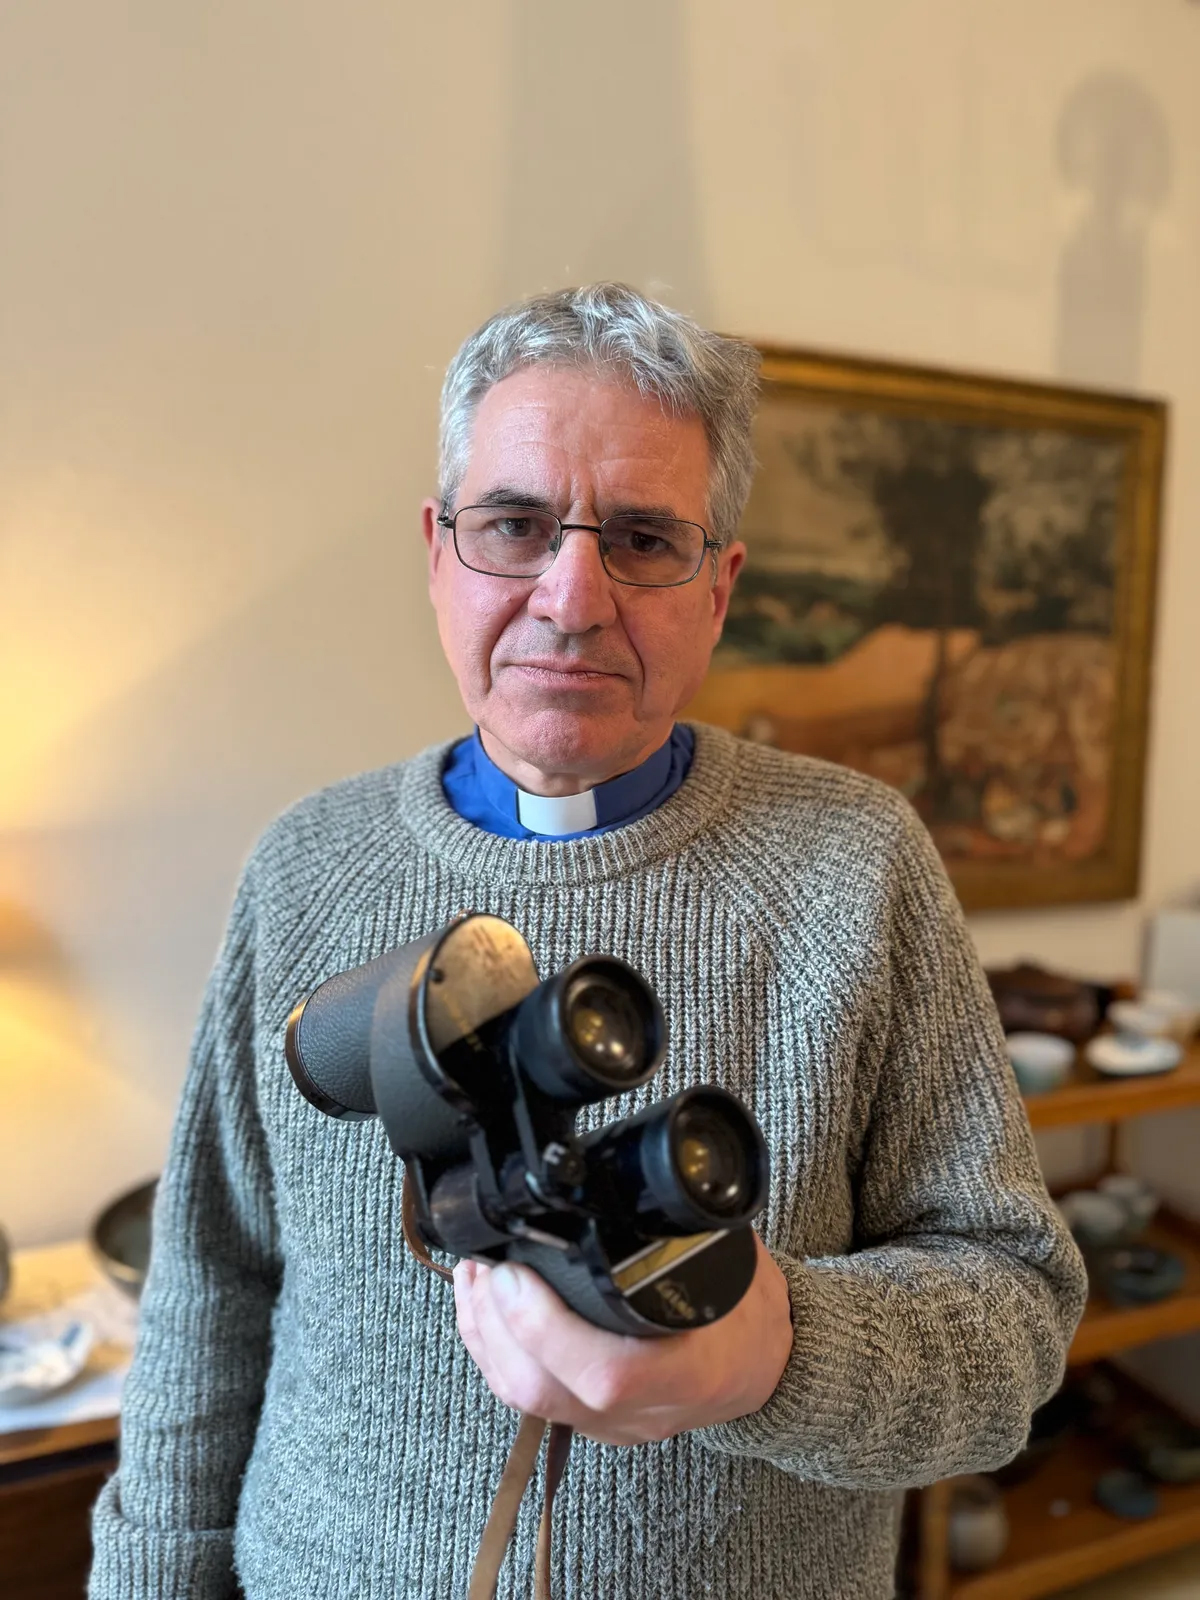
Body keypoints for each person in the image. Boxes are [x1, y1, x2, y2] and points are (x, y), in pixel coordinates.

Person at [89, 283, 1087, 1600]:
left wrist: (772, 1349)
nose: (573, 596)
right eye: (513, 525)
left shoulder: (859, 864)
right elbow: (206, 1295)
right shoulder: (305, 868)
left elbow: (1012, 1322)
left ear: (719, 589)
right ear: (438, 552)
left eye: (644, 539)